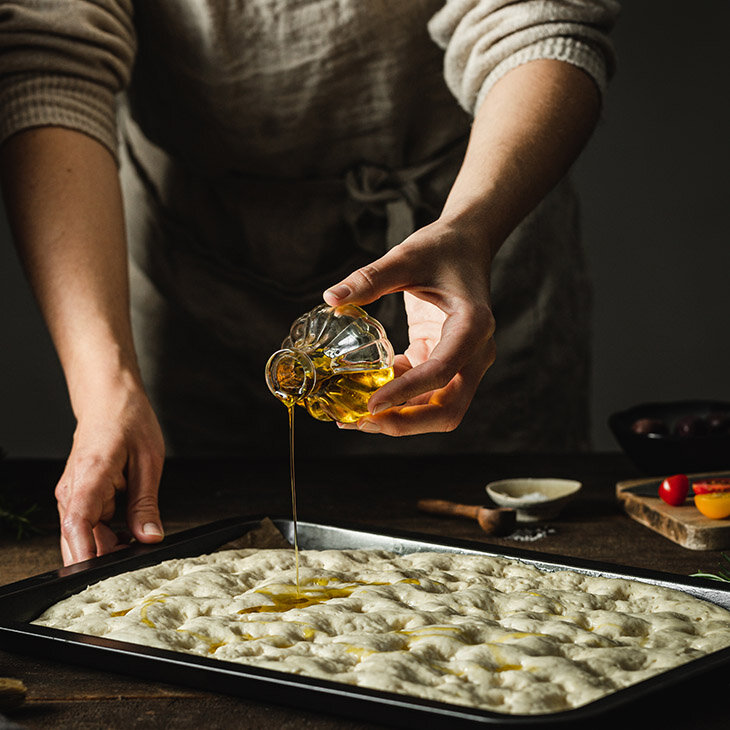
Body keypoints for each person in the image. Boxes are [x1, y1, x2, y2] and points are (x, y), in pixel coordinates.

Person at [0, 0, 619, 565]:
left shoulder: (473, 225)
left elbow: (536, 20)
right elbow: (54, 59)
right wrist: (105, 386)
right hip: (193, 267)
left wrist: (472, 226)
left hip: (471, 220)